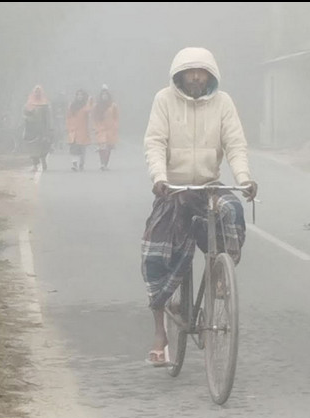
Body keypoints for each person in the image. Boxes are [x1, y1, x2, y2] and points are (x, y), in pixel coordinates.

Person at [141, 47, 258, 366]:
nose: (195, 77)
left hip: (209, 187)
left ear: (211, 75)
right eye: (189, 71)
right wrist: (159, 177)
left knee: (231, 212)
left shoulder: (224, 103)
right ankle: (160, 333)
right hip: (173, 188)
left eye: (201, 71)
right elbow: (155, 143)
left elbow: (235, 144)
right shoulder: (163, 100)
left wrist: (245, 178)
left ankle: (220, 272)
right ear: (178, 75)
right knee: (158, 253)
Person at [23, 85, 52, 171]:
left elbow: (48, 117)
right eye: (35, 91)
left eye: (39, 91)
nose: (37, 93)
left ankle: (43, 160)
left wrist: (49, 129)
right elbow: (24, 114)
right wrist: (28, 117)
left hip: (42, 129)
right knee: (32, 147)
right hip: (31, 129)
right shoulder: (29, 103)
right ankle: (35, 165)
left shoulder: (45, 104)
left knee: (43, 146)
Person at [92, 84, 120, 171]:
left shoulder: (113, 105)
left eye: (106, 95)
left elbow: (116, 117)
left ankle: (105, 163)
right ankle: (102, 163)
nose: (104, 96)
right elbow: (94, 117)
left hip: (110, 129)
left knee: (108, 148)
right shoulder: (97, 106)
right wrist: (95, 127)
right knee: (102, 147)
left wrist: (115, 126)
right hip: (101, 129)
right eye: (103, 95)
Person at [66, 89, 93, 171]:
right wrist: (68, 127)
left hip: (83, 130)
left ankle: (81, 164)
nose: (79, 96)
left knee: (82, 148)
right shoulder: (72, 105)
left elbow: (89, 110)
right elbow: (68, 116)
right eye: (78, 95)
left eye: (81, 95)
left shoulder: (85, 106)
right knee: (73, 148)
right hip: (73, 129)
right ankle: (74, 164)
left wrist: (89, 101)